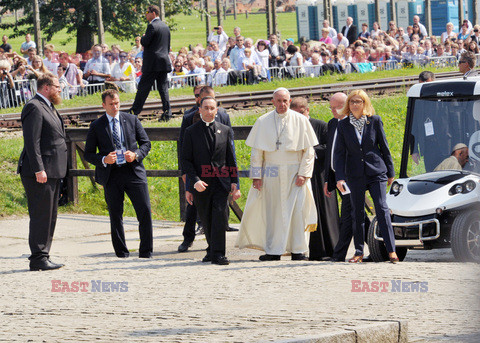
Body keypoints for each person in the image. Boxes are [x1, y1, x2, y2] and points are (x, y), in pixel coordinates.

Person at [236, 88, 319, 261]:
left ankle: (298, 250)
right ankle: (273, 250)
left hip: (294, 172)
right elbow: (257, 152)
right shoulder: (263, 121)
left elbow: (308, 151)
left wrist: (303, 173)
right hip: (271, 173)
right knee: (272, 212)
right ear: (273, 102)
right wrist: (257, 176)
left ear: (289, 101)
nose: (282, 104)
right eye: (279, 101)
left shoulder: (301, 121)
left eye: (285, 101)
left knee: (297, 212)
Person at [84, 89, 153, 258]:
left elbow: (146, 143)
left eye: (117, 103)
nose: (115, 107)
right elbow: (88, 153)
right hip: (111, 175)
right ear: (103, 105)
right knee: (115, 215)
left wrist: (135, 155)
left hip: (133, 172)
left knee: (144, 211)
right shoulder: (97, 125)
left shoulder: (131, 119)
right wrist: (103, 159)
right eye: (111, 104)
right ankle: (121, 252)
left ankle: (146, 251)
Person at [334, 90, 399, 263]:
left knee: (381, 208)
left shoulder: (375, 121)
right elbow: (339, 154)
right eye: (353, 101)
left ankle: (391, 250)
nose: (356, 104)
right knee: (357, 213)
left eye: (359, 101)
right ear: (348, 104)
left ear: (365, 103)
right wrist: (339, 177)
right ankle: (358, 252)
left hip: (376, 172)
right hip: (354, 175)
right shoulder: (343, 125)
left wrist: (390, 173)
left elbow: (384, 147)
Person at [181, 96, 241, 265]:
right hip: (201, 184)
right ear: (200, 110)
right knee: (206, 219)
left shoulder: (225, 130)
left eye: (212, 108)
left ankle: (219, 254)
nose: (209, 111)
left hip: (221, 183)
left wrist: (235, 182)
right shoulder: (191, 132)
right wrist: (194, 181)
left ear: (217, 110)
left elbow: (231, 158)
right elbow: (186, 161)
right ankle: (211, 249)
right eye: (205, 108)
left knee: (220, 218)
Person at [17, 73, 67, 271]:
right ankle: (38, 258)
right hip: (40, 171)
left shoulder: (48, 106)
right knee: (41, 215)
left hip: (53, 170)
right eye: (57, 86)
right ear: (46, 87)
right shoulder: (34, 107)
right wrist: (39, 169)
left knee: (50, 215)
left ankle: (43, 254)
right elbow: (32, 141)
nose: (60, 89)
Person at [290, 97, 340, 261]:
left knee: (324, 212)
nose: (298, 117)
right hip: (299, 175)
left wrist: (309, 151)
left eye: (301, 113)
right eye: (295, 113)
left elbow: (329, 147)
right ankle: (308, 250)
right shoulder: (290, 127)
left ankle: (331, 250)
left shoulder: (320, 125)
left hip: (319, 174)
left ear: (307, 111)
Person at [129, 5, 172, 121]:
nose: (146, 15)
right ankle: (167, 112)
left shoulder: (152, 26)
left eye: (147, 12)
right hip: (163, 61)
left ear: (153, 13)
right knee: (163, 88)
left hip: (152, 63)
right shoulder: (165, 26)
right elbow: (167, 46)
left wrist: (143, 38)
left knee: (143, 87)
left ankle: (134, 111)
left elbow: (146, 42)